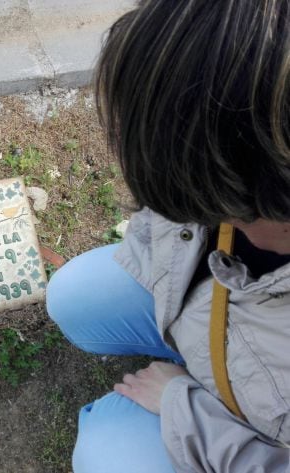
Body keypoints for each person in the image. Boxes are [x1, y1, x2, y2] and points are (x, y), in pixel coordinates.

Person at [46, 1, 290, 471]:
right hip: (223, 323)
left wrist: (183, 404)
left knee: (107, 454)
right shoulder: (234, 160)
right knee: (74, 299)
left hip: (253, 429)